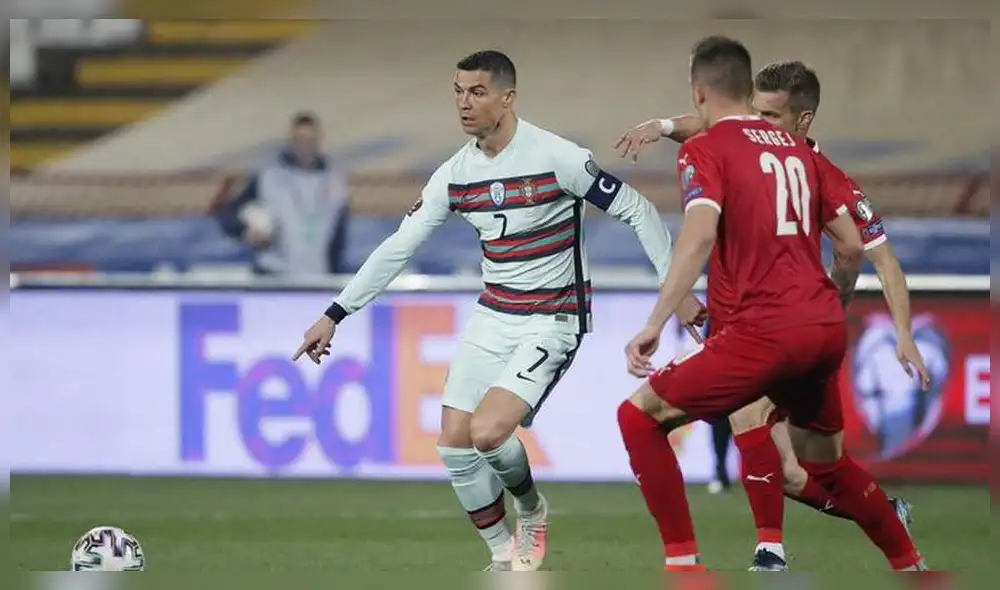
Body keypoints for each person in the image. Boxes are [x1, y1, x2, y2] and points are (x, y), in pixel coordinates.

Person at [291, 50, 696, 571]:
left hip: (553, 318)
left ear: (508, 98)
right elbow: (399, 246)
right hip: (494, 314)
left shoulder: (558, 157)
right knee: (454, 446)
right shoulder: (455, 175)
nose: (463, 103)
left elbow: (638, 210)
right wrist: (335, 313)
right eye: (457, 91)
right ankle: (504, 557)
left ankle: (532, 510)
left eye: (477, 92)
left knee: (487, 433)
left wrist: (674, 290)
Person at [615, 36, 926, 572]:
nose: (761, 118)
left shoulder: (739, 151)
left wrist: (657, 319)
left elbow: (702, 231)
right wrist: (833, 301)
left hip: (759, 326)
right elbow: (848, 245)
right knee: (814, 466)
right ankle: (909, 561)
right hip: (811, 323)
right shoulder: (802, 156)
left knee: (643, 416)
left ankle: (706, 566)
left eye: (773, 112)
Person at [215, 112, 351, 276]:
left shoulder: (335, 180)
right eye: (300, 140)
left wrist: (335, 271)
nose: (305, 146)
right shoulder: (269, 176)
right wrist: (245, 231)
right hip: (275, 274)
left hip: (318, 275)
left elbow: (339, 233)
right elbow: (228, 213)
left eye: (310, 140)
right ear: (291, 141)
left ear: (319, 141)